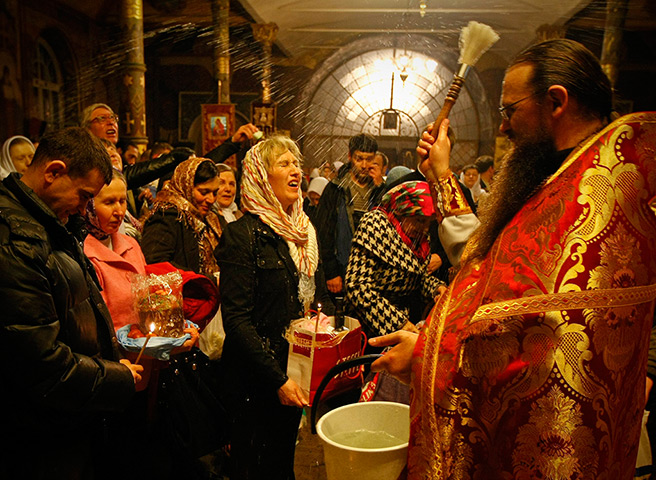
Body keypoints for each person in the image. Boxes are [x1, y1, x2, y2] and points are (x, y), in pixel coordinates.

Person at [370, 39, 656, 479]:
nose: (503, 128)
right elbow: (489, 264)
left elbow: (522, 330)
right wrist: (442, 176)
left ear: (556, 101)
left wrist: (427, 355)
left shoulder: (606, 192)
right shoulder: (560, 176)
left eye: (509, 111)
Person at [0, 127, 142, 479]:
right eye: (83, 196)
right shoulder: (16, 239)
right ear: (53, 172)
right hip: (38, 436)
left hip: (64, 423)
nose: (84, 208)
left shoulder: (48, 222)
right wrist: (118, 377)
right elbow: (39, 362)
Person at [217, 135, 331, 479]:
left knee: (282, 463)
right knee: (254, 465)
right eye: (283, 164)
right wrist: (277, 379)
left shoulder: (304, 232)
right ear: (260, 177)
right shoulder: (243, 235)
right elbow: (236, 320)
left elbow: (312, 300)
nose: (295, 170)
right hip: (256, 379)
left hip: (294, 370)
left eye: (296, 163)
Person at [346, 180, 445, 339]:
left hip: (403, 318)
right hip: (369, 320)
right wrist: (398, 323)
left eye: (429, 223)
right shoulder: (375, 224)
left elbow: (417, 278)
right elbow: (357, 287)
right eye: (420, 220)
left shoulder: (417, 238)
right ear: (401, 211)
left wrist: (436, 289)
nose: (425, 228)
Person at [315, 133, 379, 295]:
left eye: (369, 159)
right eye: (359, 159)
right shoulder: (335, 189)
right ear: (350, 156)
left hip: (373, 273)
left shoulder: (378, 189)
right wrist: (331, 272)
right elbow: (324, 232)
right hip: (342, 268)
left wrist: (381, 188)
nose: (364, 165)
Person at [141, 157, 223, 280]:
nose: (211, 199)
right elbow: (156, 265)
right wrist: (207, 279)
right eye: (204, 192)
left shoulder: (211, 219)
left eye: (214, 193)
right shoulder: (167, 216)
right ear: (187, 186)